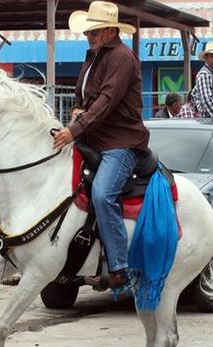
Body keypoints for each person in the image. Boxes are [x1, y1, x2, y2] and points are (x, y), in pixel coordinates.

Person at [53, 1, 149, 287]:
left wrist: (73, 130)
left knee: (103, 195)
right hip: (91, 138)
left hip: (120, 143)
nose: (89, 36)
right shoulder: (93, 56)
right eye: (87, 33)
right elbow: (83, 97)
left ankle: (119, 267)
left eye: (94, 32)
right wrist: (75, 111)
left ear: (110, 31)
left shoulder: (122, 58)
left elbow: (106, 102)